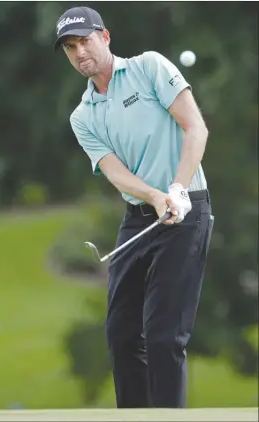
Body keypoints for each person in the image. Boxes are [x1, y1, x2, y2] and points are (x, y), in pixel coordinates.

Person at [54, 6, 214, 409]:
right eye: (70, 47)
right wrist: (155, 197)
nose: (79, 52)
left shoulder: (149, 68)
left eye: (85, 41)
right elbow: (116, 173)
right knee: (122, 336)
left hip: (187, 209)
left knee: (163, 337)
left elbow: (195, 127)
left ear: (104, 37)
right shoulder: (83, 116)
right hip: (141, 216)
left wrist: (176, 188)